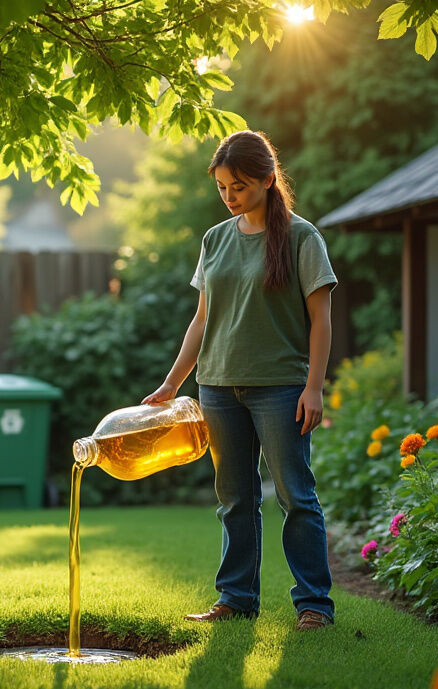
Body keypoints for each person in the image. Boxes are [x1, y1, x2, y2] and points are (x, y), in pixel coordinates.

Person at [142, 129, 338, 631]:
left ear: (268, 180)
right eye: (222, 187)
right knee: (234, 500)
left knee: (296, 497)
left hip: (281, 388)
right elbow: (202, 319)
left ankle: (314, 604)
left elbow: (321, 320)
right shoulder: (215, 239)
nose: (230, 197)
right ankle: (236, 599)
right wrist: (172, 384)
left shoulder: (302, 237)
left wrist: (314, 387)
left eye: (240, 187)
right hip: (217, 388)